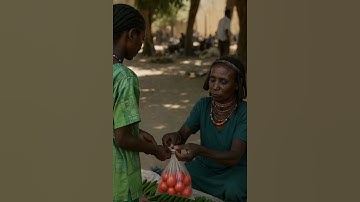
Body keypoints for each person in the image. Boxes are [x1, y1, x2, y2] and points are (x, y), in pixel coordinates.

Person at [162, 56, 247, 202]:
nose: (215, 86)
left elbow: (234, 156)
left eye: (223, 81)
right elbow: (182, 134)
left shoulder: (245, 112)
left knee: (233, 190)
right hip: (205, 166)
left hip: (234, 170)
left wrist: (200, 151)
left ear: (237, 84)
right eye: (212, 79)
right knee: (175, 179)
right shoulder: (203, 105)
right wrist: (175, 136)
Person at [113, 4, 172, 202]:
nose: (141, 44)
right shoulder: (124, 78)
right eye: (142, 38)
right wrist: (154, 150)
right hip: (118, 176)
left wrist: (136, 131)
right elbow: (121, 139)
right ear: (131, 34)